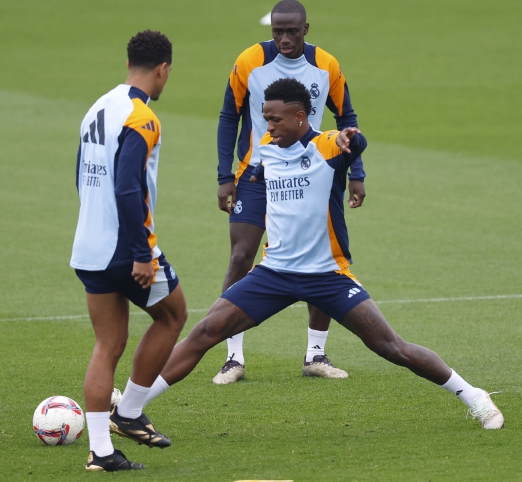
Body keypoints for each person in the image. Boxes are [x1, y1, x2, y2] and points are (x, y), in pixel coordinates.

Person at [140, 78, 504, 431]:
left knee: (391, 346)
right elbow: (260, 173)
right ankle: (130, 405)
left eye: (275, 118)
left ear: (301, 117)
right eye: (266, 117)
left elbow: (351, 141)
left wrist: (352, 138)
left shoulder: (328, 147)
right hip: (275, 274)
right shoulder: (267, 144)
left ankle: (474, 397)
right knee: (205, 332)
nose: (268, 125)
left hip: (327, 275)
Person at [213, 0, 365, 384]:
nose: (283, 38)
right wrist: (223, 175)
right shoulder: (249, 61)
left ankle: (315, 354)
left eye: (291, 31)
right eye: (277, 31)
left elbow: (346, 117)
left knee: (319, 260)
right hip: (255, 175)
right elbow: (229, 115)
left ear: (305, 29)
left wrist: (357, 173)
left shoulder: (326, 65)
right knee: (240, 256)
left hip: (313, 176)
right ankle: (233, 358)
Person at [71, 30, 188, 471]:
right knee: (174, 315)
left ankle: (100, 451)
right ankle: (130, 412)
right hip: (127, 248)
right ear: (163, 69)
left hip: (89, 245)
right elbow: (126, 185)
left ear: (128, 64)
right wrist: (142, 252)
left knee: (108, 344)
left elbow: (81, 175)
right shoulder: (143, 117)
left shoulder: (97, 108)